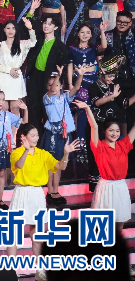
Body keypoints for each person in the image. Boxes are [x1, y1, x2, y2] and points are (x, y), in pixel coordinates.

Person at [6, 122, 80, 281]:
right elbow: (19, 165)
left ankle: (40, 270)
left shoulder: (43, 154)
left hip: (37, 194)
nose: (36, 138)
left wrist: (66, 154)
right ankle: (11, 272)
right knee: (13, 234)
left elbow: (60, 166)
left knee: (37, 235)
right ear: (23, 137)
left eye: (37, 135)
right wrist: (26, 150)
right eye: (32, 135)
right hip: (21, 192)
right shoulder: (16, 152)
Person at [76, 100, 133, 229]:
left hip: (120, 187)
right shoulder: (99, 146)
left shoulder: (123, 145)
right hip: (106, 187)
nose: (114, 134)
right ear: (104, 131)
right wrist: (87, 108)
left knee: (120, 223)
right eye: (111, 130)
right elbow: (94, 127)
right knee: (104, 224)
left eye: (117, 131)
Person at [42, 71, 83, 205]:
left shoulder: (65, 97)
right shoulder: (47, 98)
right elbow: (51, 90)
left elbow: (76, 88)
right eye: (50, 85)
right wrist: (58, 76)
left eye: (56, 84)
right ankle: (50, 191)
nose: (53, 87)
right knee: (51, 163)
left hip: (64, 133)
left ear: (61, 86)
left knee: (60, 162)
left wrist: (81, 75)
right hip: (53, 133)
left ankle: (56, 190)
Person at [25, 14, 69, 129]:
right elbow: (27, 28)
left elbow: (62, 69)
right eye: (45, 23)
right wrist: (31, 13)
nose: (46, 26)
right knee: (33, 106)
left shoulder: (61, 47)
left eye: (50, 24)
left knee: (47, 107)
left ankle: (47, 135)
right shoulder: (38, 38)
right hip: (35, 76)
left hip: (49, 79)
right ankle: (34, 134)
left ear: (56, 27)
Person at [0, 90, 27, 209]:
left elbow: (24, 122)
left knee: (2, 172)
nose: (1, 102)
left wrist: (25, 109)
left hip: (6, 146)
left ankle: (0, 199)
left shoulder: (7, 115)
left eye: (3, 99)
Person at [0, 19, 37, 111]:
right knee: (3, 108)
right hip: (2, 78)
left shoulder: (22, 44)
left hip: (16, 78)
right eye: (8, 28)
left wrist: (30, 29)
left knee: (15, 108)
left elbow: (33, 42)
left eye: (13, 28)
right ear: (4, 30)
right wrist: (8, 70)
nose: (10, 31)